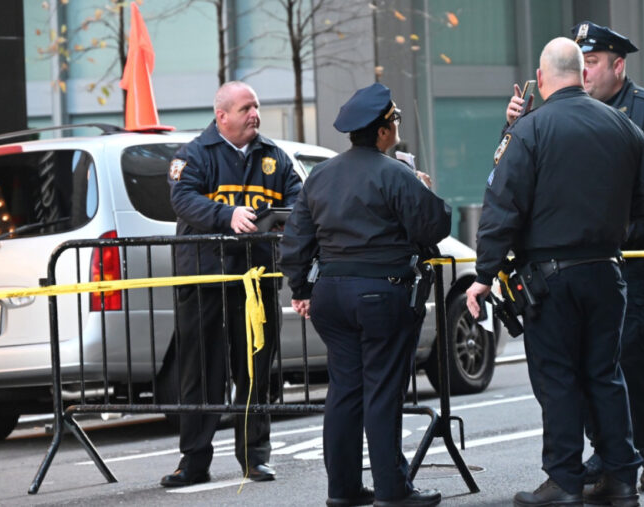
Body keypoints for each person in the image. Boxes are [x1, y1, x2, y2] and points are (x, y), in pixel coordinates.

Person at [466, 38, 644, 506]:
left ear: (541, 78)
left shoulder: (530, 130)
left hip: (550, 276)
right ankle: (620, 478)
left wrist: (484, 273)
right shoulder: (621, 124)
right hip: (607, 269)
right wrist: (615, 224)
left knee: (557, 378)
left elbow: (502, 206)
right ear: (581, 72)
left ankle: (564, 481)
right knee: (605, 374)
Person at [507, 21, 644, 493]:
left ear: (617, 65)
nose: (584, 72)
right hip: (574, 263)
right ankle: (608, 456)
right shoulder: (551, 115)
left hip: (626, 258)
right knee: (580, 365)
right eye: (579, 62)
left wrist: (614, 230)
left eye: (591, 62)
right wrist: (514, 126)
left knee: (627, 355)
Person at [279, 83, 450, 507]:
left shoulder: (319, 175)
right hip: (380, 293)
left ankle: (344, 491)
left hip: (330, 296)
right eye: (393, 121)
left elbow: (296, 241)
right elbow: (435, 227)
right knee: (382, 392)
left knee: (344, 393)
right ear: (381, 131)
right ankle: (394, 490)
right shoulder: (396, 174)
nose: (395, 128)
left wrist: (301, 289)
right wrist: (424, 188)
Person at [161, 81, 302, 487]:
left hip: (255, 282)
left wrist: (281, 219)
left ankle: (255, 458)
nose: (254, 114)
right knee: (200, 373)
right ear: (222, 116)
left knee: (254, 371)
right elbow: (183, 198)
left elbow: (298, 202)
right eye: (245, 108)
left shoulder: (274, 157)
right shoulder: (194, 154)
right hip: (205, 279)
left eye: (256, 106)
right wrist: (227, 216)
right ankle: (194, 461)